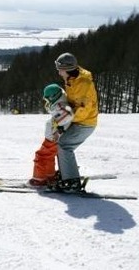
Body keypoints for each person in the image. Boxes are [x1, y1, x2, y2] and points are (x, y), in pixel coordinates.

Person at [54, 52, 99, 192]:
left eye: (59, 69)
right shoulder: (72, 79)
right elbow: (72, 102)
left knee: (64, 145)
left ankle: (72, 182)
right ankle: (67, 174)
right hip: (79, 120)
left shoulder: (82, 83)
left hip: (85, 122)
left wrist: (66, 120)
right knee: (61, 144)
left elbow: (84, 109)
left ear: (66, 69)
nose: (58, 72)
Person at [28, 84, 74, 187]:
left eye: (48, 100)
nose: (47, 102)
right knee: (48, 157)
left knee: (41, 156)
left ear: (53, 97)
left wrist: (59, 129)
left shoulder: (61, 105)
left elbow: (69, 115)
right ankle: (49, 176)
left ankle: (39, 179)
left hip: (53, 138)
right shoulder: (60, 104)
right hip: (53, 138)